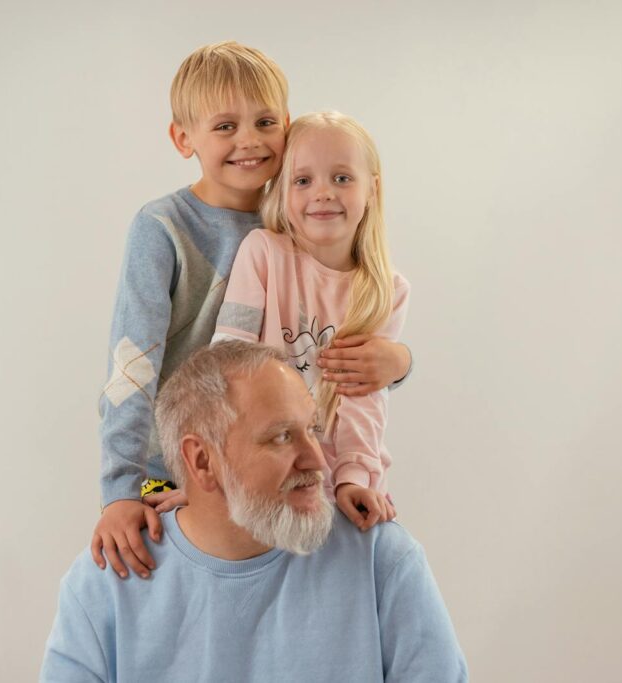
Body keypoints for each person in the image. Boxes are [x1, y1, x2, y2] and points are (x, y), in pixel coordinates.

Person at [93, 43, 413, 579]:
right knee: (167, 577)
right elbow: (132, 366)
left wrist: (399, 362)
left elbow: (336, 331)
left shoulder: (298, 224)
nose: (248, 140)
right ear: (183, 138)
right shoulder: (163, 228)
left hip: (265, 466)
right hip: (161, 464)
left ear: (286, 128)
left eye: (264, 121)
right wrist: (120, 490)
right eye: (224, 126)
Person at [42, 341, 467, 682]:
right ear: (203, 461)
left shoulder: (382, 561)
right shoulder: (105, 585)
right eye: (282, 437)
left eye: (313, 430)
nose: (317, 460)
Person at [215, 111, 406, 531]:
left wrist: (352, 478)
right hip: (262, 476)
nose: (322, 193)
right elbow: (228, 363)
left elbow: (366, 401)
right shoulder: (263, 253)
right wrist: (216, 471)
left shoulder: (385, 291)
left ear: (372, 189)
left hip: (339, 484)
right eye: (303, 181)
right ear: (283, 192)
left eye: (341, 178)